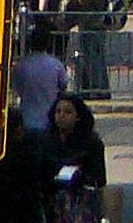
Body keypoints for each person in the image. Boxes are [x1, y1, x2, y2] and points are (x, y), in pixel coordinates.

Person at [45, 93, 105, 223]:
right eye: (58, 111)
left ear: (78, 116)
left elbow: (100, 178)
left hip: (81, 204)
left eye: (67, 112)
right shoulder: (47, 141)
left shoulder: (91, 143)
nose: (61, 116)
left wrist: (78, 176)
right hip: (52, 203)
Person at [14, 22, 66, 134]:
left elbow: (17, 88)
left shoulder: (22, 65)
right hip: (50, 121)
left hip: (27, 120)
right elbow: (63, 87)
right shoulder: (56, 65)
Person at [75, 0, 114, 100]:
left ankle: (94, 88)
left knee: (92, 57)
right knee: (99, 56)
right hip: (101, 20)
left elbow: (87, 0)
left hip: (91, 21)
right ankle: (102, 87)